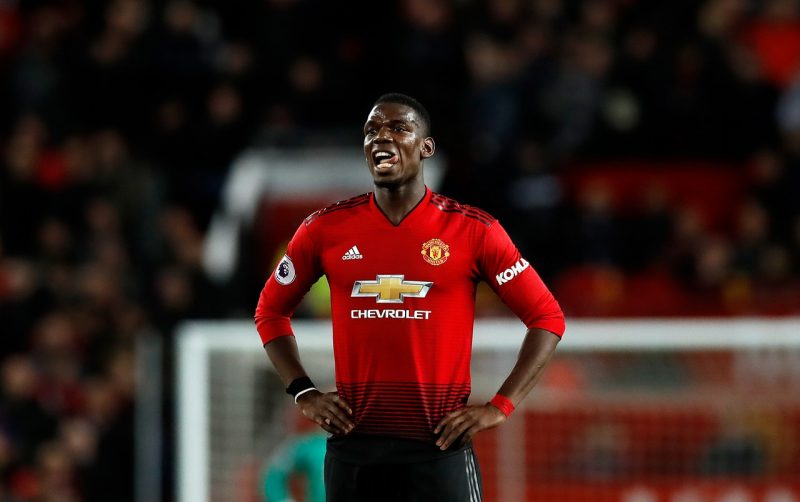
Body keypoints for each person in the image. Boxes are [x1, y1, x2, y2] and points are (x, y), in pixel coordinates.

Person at [255, 93, 565, 501]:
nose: (381, 137)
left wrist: (500, 405)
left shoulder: (473, 231)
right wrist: (303, 391)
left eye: (398, 128)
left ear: (426, 147)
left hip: (439, 451)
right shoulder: (324, 230)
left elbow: (546, 317)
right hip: (354, 453)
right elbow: (270, 312)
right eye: (371, 131)